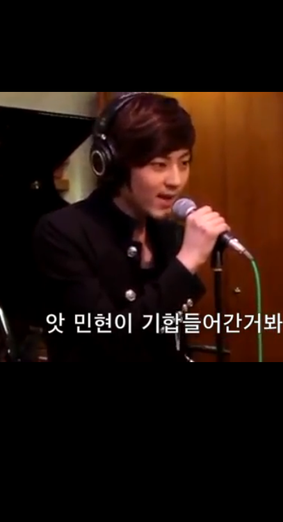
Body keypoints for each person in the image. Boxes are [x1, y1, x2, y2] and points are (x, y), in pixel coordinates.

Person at [32, 92, 230, 362]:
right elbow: (111, 342)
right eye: (159, 165)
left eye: (184, 163)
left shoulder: (168, 233)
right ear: (113, 164)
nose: (175, 180)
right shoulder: (62, 232)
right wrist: (186, 263)